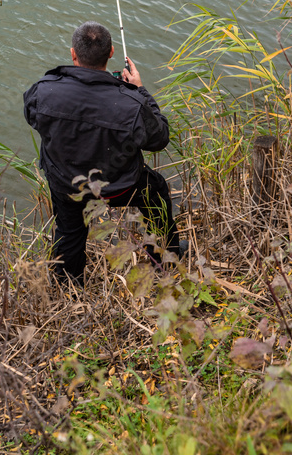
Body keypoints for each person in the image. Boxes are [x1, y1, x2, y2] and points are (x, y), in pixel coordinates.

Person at [23, 20, 188, 283]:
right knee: (155, 191)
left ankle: (68, 285)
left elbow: (31, 115)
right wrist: (140, 90)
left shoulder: (43, 91)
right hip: (118, 188)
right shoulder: (131, 103)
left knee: (69, 230)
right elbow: (159, 138)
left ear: (73, 54)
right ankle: (165, 260)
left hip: (67, 185)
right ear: (111, 53)